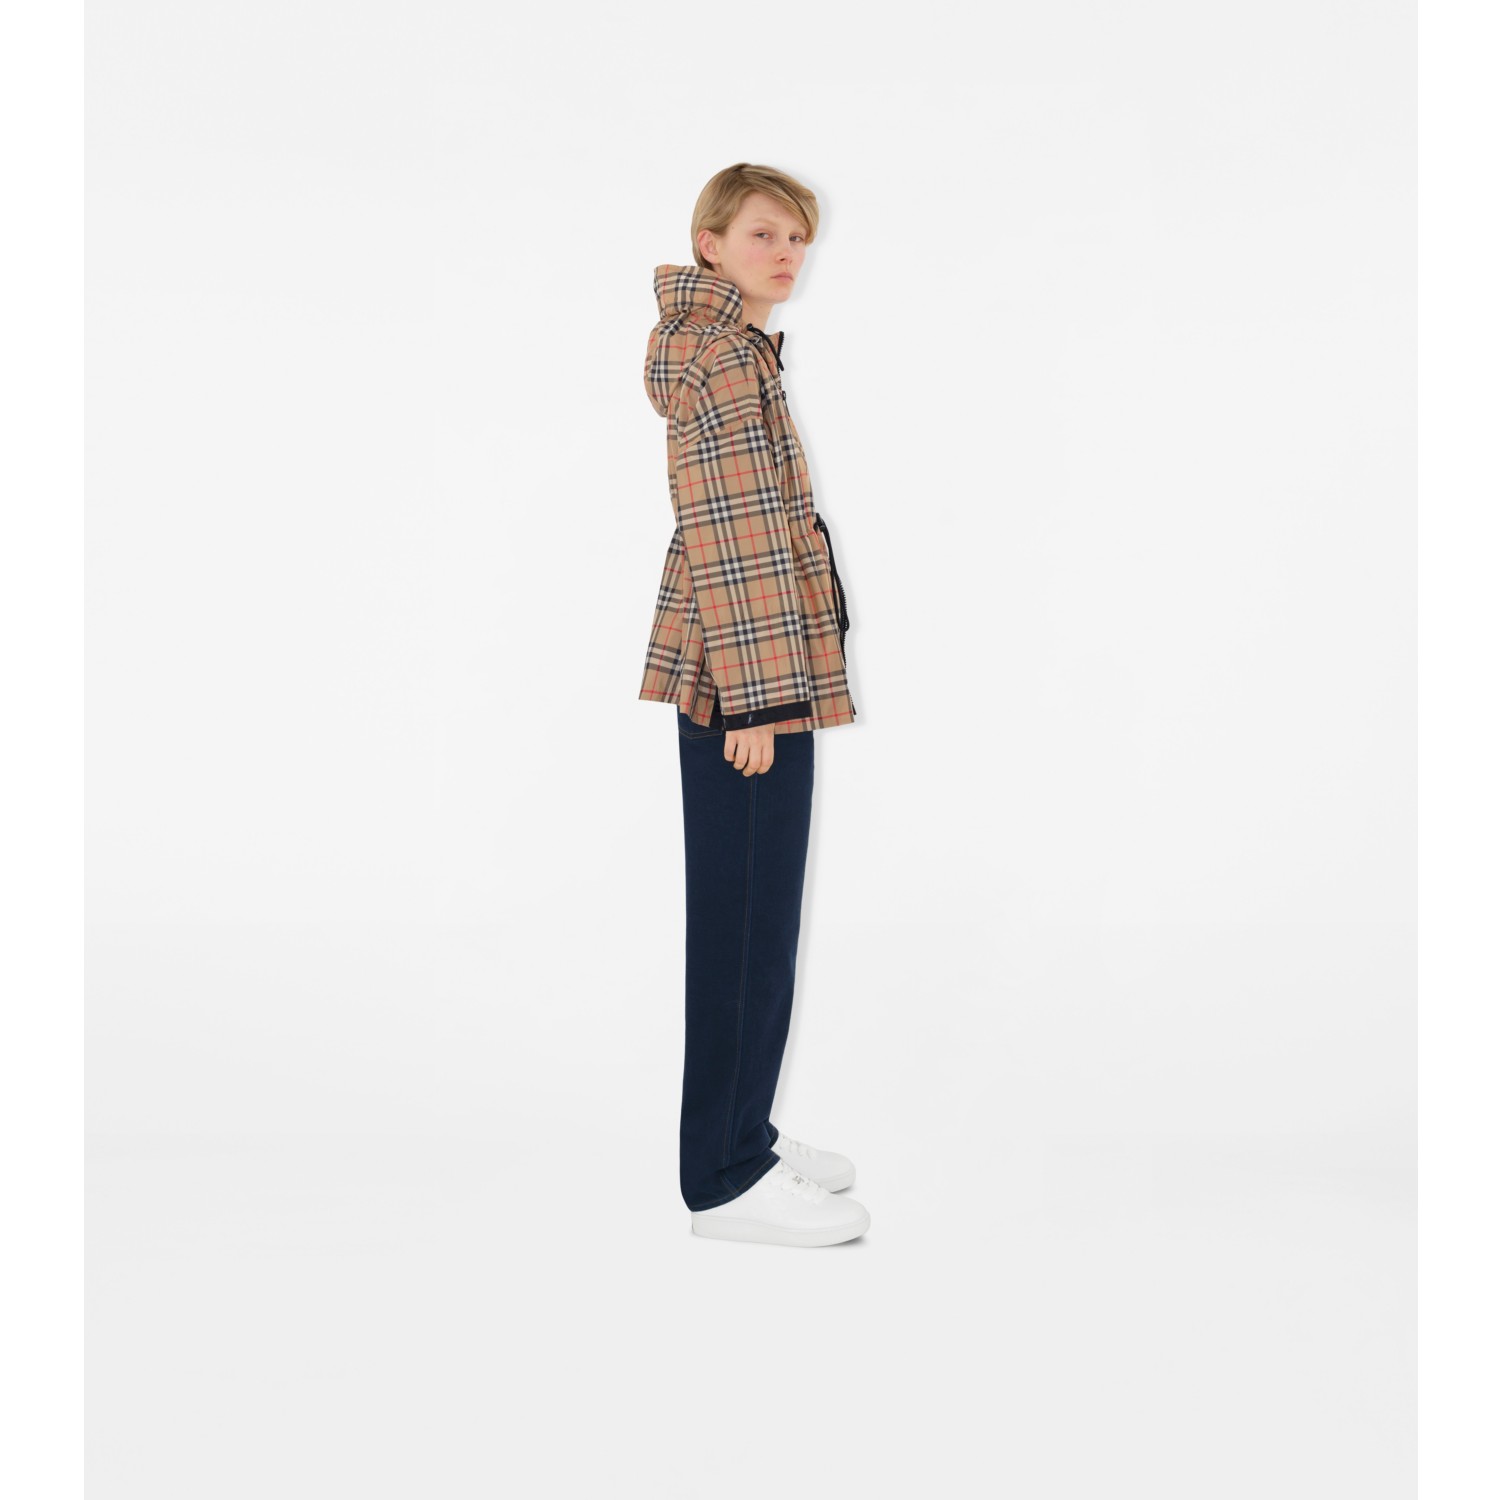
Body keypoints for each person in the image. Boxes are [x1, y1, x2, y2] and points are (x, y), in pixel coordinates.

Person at [637, 163, 868, 1247]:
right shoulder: (725, 358)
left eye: (797, 238)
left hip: (750, 669)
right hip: (747, 686)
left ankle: (745, 1136)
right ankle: (724, 1180)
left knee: (758, 926)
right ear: (711, 243)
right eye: (764, 234)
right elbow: (732, 533)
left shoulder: (730, 348)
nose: (786, 254)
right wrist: (758, 708)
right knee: (743, 934)